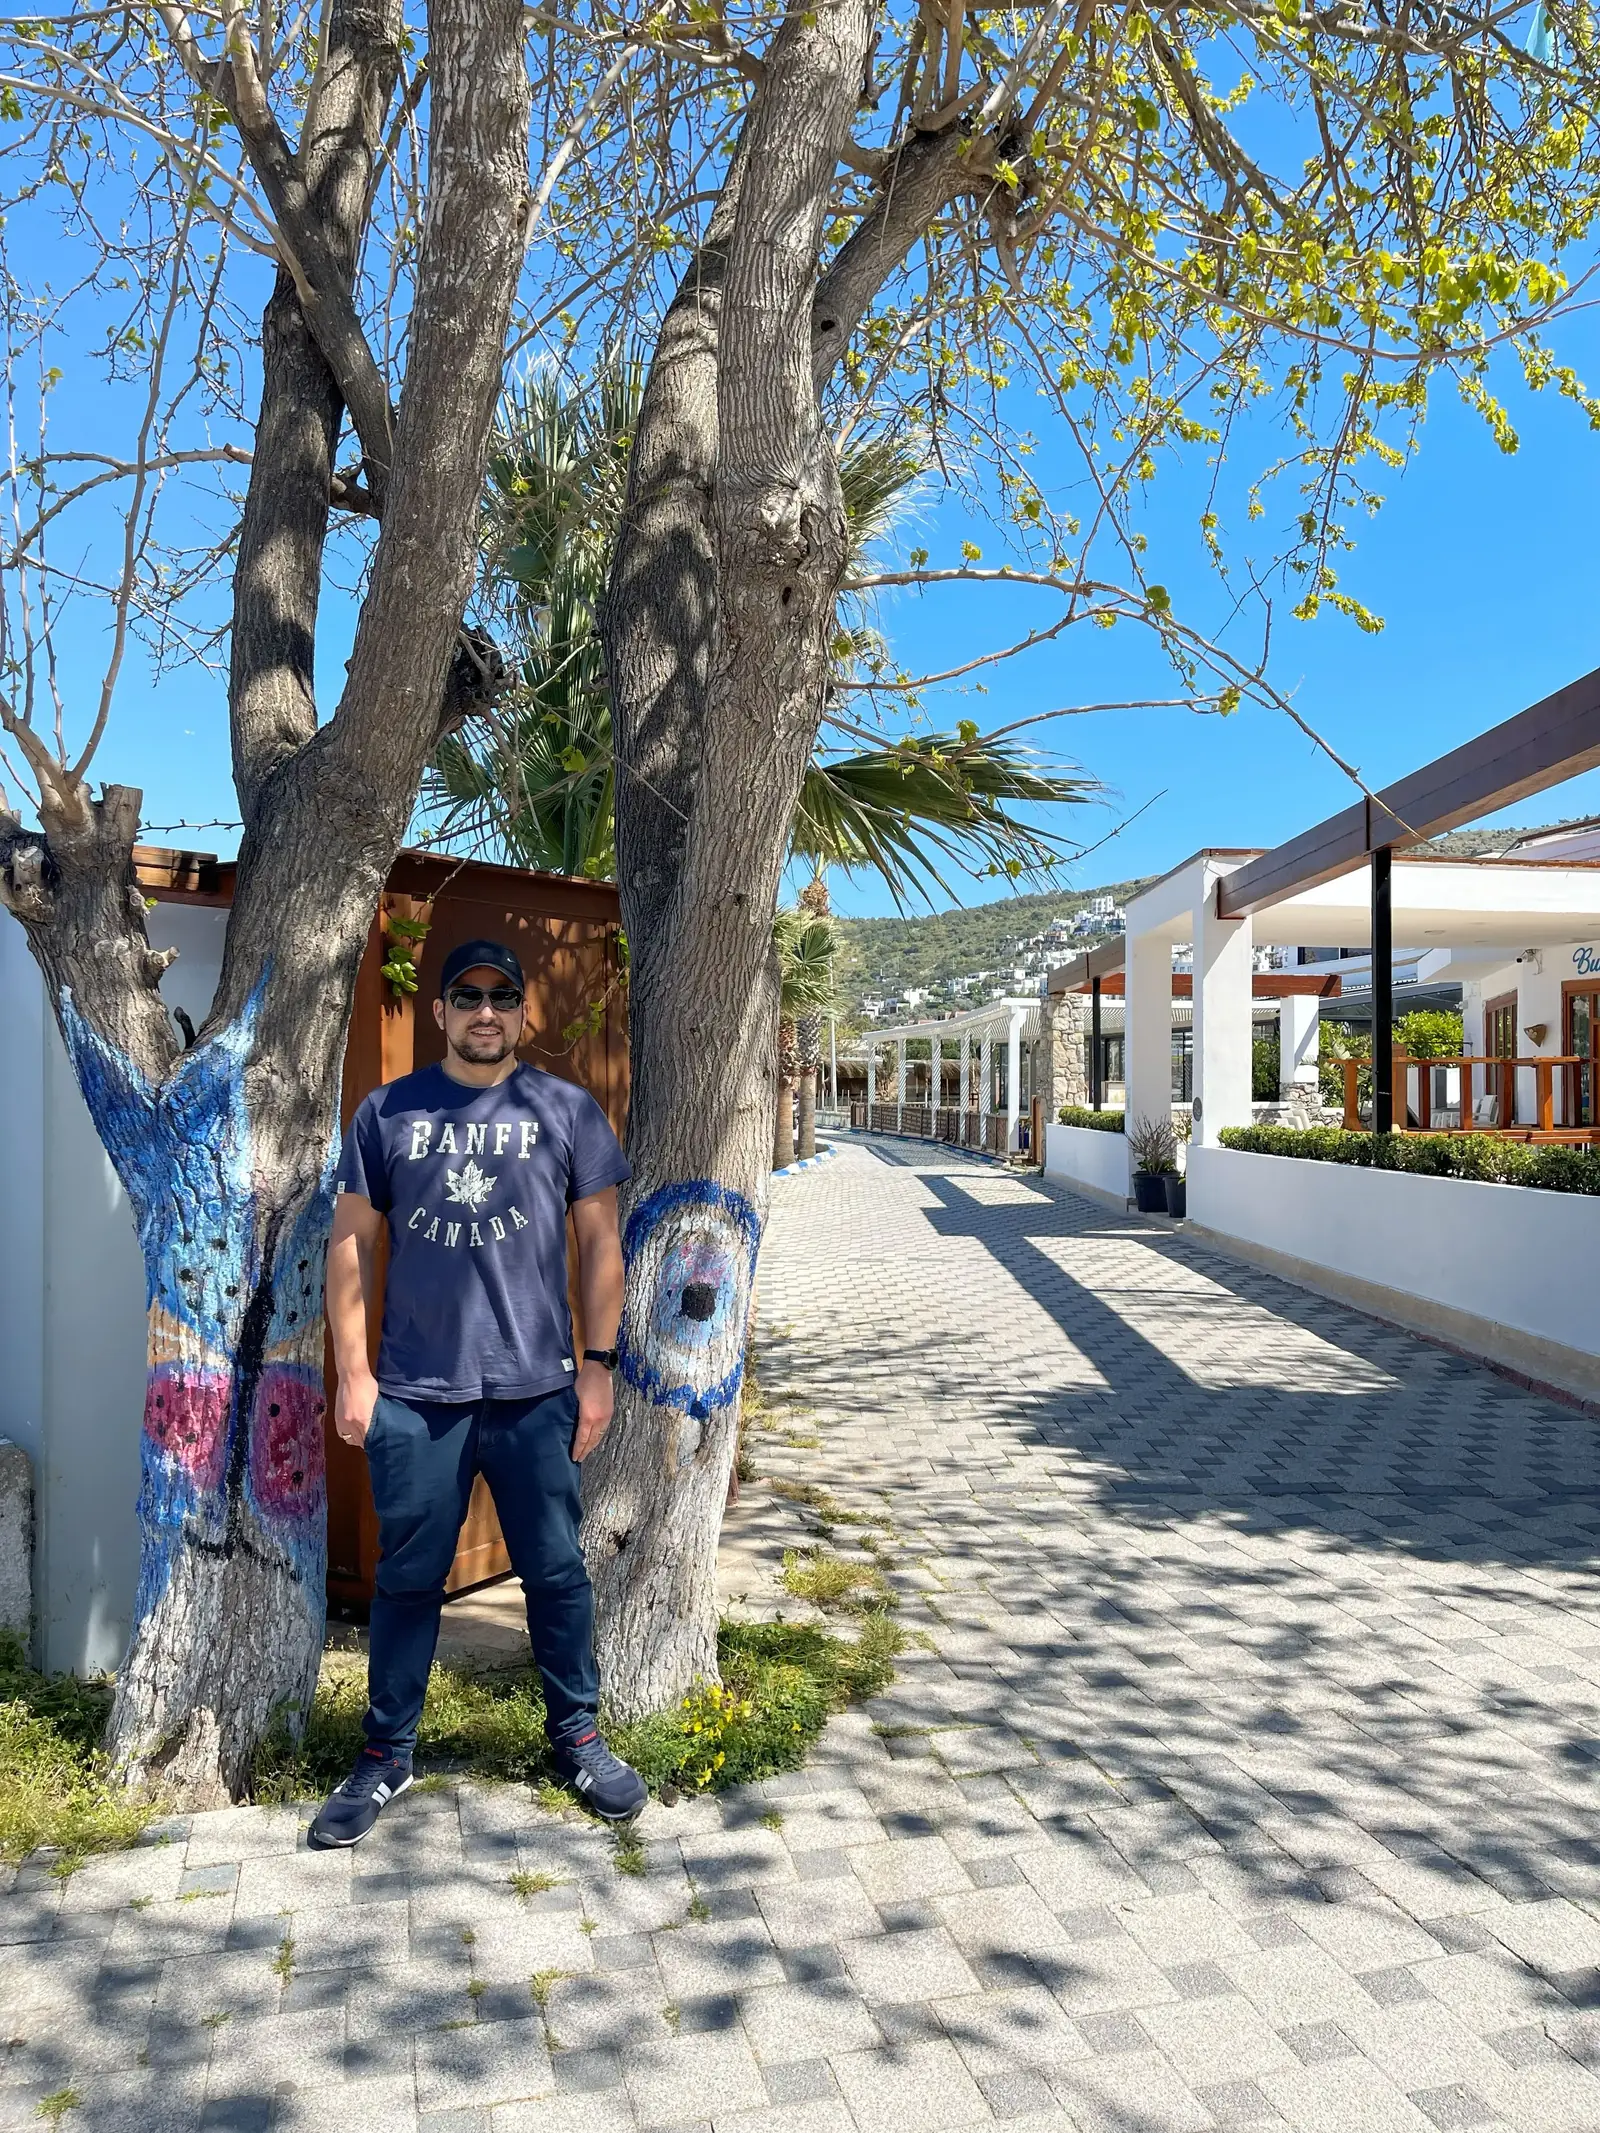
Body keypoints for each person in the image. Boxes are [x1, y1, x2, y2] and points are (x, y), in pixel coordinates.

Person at [309, 936, 646, 1847]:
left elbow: (600, 1244)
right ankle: (386, 1752)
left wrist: (599, 1364)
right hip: (417, 1394)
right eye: (467, 995)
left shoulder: (565, 1110)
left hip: (538, 1388)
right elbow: (349, 1242)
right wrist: (354, 1375)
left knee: (557, 1573)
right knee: (409, 1578)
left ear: (523, 1010)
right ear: (442, 1011)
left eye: (502, 994)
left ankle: (577, 1734)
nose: (485, 1010)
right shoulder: (387, 1111)